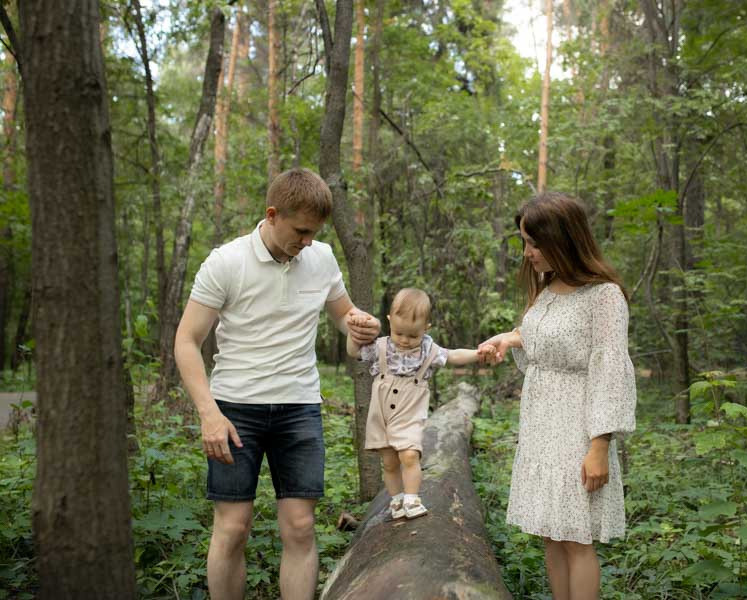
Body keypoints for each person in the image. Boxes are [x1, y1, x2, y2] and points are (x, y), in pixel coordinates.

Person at [174, 168, 381, 600]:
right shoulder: (227, 261)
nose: (308, 241)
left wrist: (358, 326)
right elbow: (186, 340)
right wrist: (209, 414)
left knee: (301, 527)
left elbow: (345, 315)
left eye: (314, 233)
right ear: (272, 215)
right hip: (234, 409)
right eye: (301, 231)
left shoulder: (321, 257)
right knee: (232, 528)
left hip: (299, 406)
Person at [477, 192, 637, 600]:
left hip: (577, 429)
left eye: (534, 243)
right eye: (524, 242)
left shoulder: (604, 296)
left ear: (563, 240)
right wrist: (510, 339)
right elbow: (542, 340)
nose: (527, 252)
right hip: (540, 425)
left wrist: (599, 444)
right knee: (551, 532)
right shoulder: (550, 288)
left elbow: (610, 369)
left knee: (577, 538)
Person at [347, 287, 494, 520]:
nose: (405, 341)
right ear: (389, 322)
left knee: (409, 455)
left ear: (426, 329)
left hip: (409, 412)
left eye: (413, 336)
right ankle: (396, 500)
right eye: (399, 333)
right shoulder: (381, 347)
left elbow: (453, 355)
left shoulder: (429, 351)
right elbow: (354, 352)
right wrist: (352, 332)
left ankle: (412, 498)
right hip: (381, 414)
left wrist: (478, 353)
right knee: (388, 461)